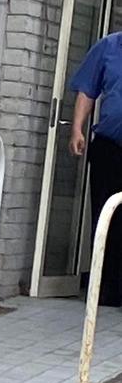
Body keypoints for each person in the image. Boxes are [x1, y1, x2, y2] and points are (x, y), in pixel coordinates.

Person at [70, 33, 122, 306]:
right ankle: (106, 289)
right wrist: (77, 128)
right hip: (110, 148)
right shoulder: (109, 47)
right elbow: (88, 89)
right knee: (105, 217)